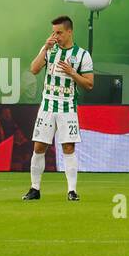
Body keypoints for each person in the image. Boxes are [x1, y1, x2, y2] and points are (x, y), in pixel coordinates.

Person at [24, 15, 93, 202]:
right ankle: (34, 188)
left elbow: (89, 84)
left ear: (70, 31)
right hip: (47, 105)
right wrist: (45, 48)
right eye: (54, 32)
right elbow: (34, 69)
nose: (56, 36)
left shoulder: (81, 55)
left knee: (68, 147)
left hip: (67, 106)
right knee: (39, 146)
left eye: (59, 33)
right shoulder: (49, 49)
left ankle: (72, 191)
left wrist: (72, 73)